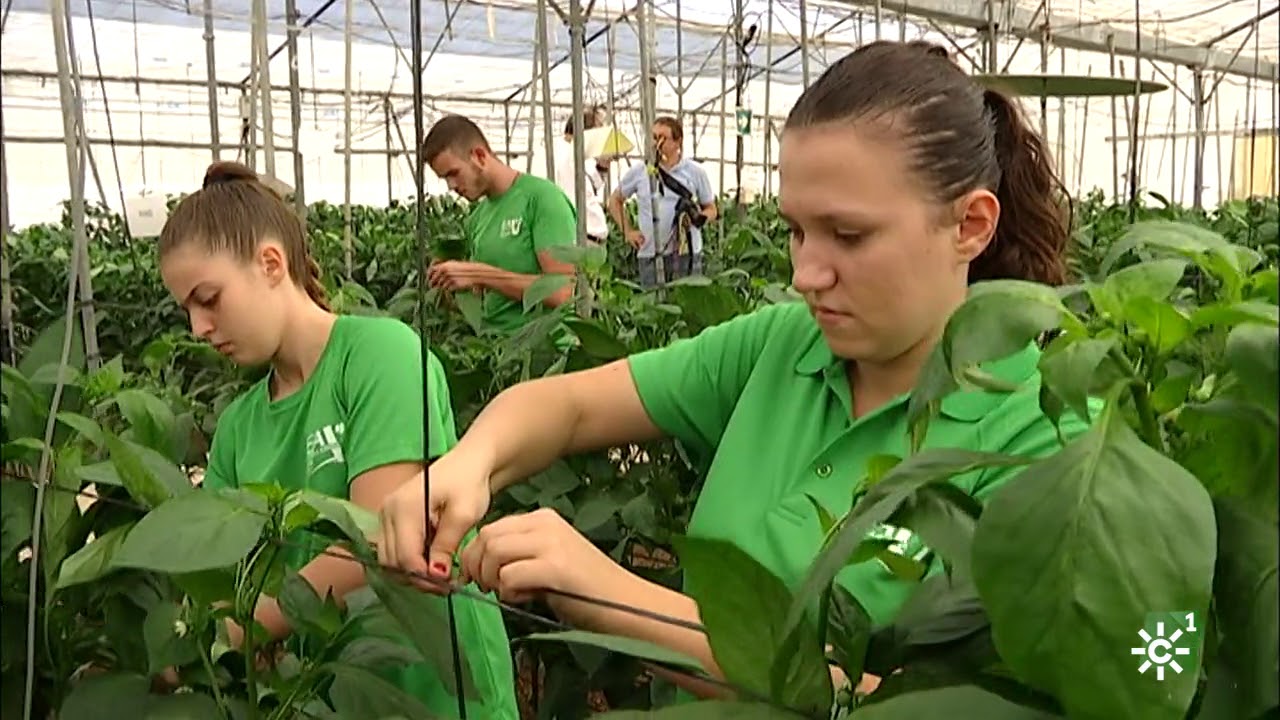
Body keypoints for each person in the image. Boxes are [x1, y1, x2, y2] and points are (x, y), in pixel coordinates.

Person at [377, 40, 1078, 701]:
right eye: (796, 231)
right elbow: (569, 406)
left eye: (849, 235)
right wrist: (468, 464)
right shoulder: (786, 343)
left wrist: (616, 598)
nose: (806, 274)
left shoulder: (1046, 436)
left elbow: (936, 708)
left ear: (970, 225)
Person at [157, 161, 518, 720]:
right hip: (322, 696)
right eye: (187, 309)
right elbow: (217, 573)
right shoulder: (237, 426)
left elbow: (376, 538)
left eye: (209, 298)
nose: (198, 327)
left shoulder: (379, 355)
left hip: (437, 688)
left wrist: (221, 634)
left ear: (271, 263)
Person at [424, 114, 578, 334]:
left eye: (454, 173)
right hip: (493, 345)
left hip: (543, 347)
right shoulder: (478, 217)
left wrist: (479, 274)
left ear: (479, 156)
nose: (451, 186)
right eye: (445, 179)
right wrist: (449, 282)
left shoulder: (542, 199)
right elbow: (490, 298)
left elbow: (563, 292)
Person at [608, 116, 717, 287]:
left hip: (687, 253)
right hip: (650, 253)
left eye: (663, 138)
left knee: (686, 299)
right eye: (654, 137)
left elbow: (711, 209)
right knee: (652, 300)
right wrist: (628, 232)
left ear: (678, 142)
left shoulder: (695, 172)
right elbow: (615, 200)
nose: (657, 143)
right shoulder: (640, 171)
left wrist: (697, 218)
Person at [554, 105, 612, 246]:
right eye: (598, 131)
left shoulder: (572, 155)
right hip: (581, 240)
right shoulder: (568, 155)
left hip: (585, 239)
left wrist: (602, 166)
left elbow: (588, 187)